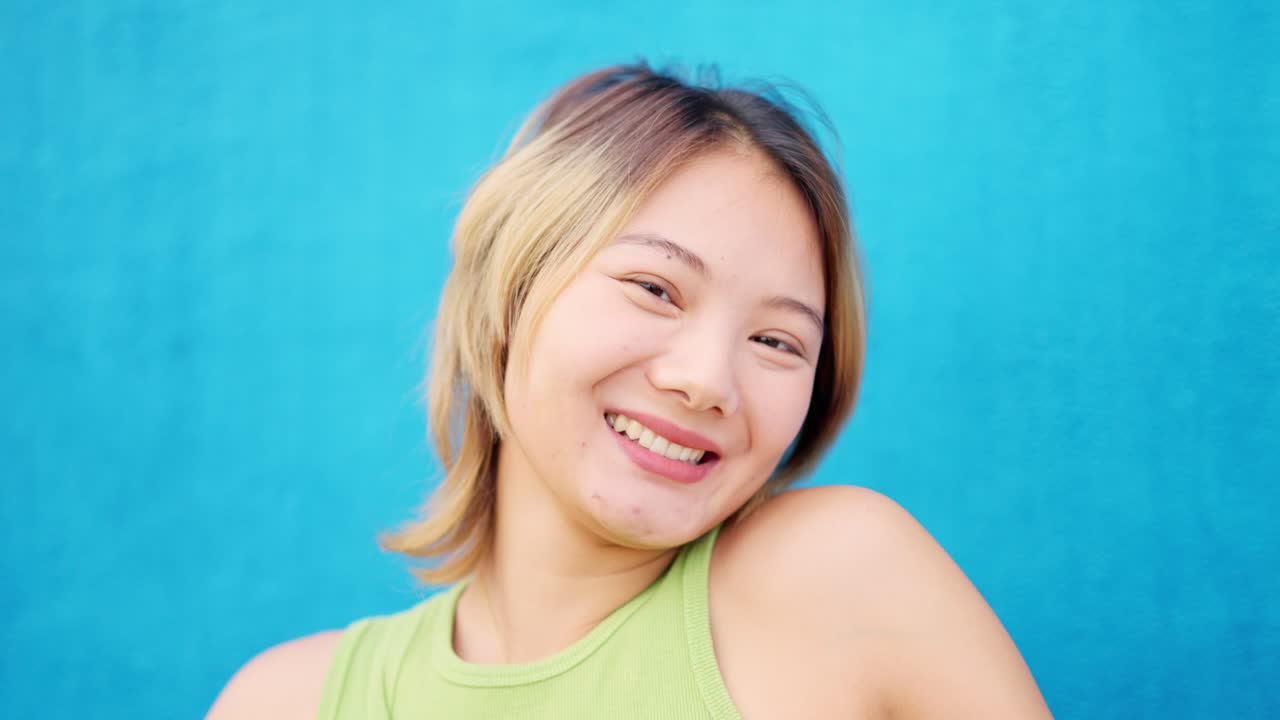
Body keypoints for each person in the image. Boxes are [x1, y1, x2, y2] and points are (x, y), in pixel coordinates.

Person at [208, 62, 1053, 719]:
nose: (705, 381)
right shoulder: (285, 702)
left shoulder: (841, 581)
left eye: (776, 341)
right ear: (511, 291)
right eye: (655, 288)